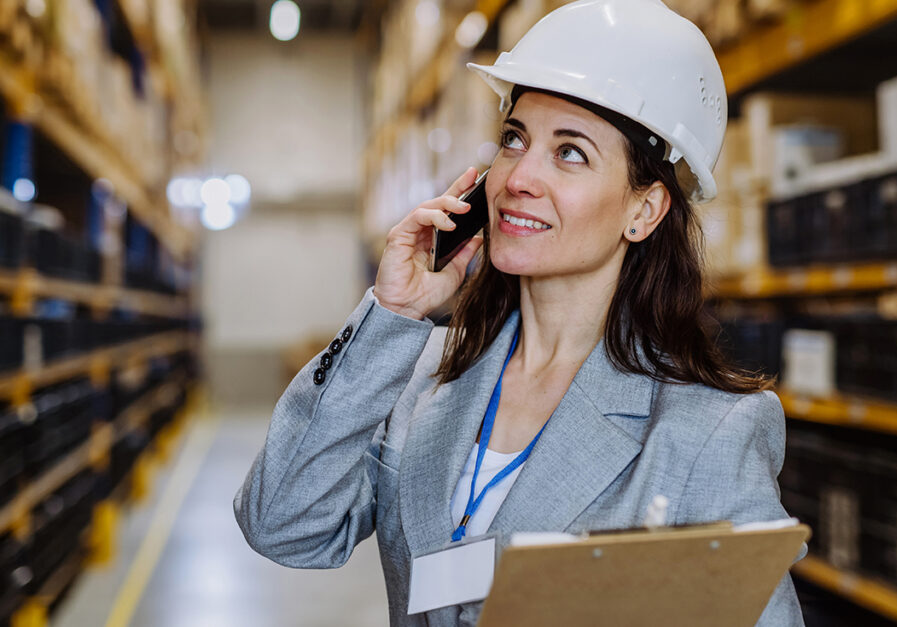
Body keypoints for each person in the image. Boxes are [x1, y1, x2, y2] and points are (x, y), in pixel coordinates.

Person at [235, 0, 805, 625]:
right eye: (515, 139)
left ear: (643, 210)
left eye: (571, 153)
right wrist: (391, 315)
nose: (519, 177)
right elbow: (281, 525)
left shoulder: (706, 432)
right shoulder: (421, 372)